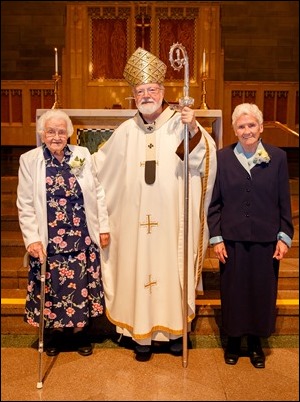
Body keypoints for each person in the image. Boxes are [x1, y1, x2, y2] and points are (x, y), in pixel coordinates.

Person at [92, 47, 217, 361]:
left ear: (163, 92)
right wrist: (74, 163)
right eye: (140, 91)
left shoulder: (180, 125)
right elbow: (99, 167)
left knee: (170, 269)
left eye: (152, 89)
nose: (146, 95)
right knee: (140, 269)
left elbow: (204, 161)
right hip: (134, 226)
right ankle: (142, 338)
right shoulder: (124, 132)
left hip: (172, 221)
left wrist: (193, 129)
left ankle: (175, 334)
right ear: (134, 96)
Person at [17, 109, 110, 357]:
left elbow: (97, 192)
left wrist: (103, 227)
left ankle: (80, 334)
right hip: (50, 238)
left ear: (69, 134)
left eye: (61, 131)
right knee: (53, 286)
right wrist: (32, 238)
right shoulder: (30, 160)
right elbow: (25, 202)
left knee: (80, 283)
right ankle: (55, 335)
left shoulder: (80, 155)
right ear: (42, 133)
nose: (56, 136)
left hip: (81, 233)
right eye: (50, 131)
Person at [207, 103, 294, 368]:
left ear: (261, 126)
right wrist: (217, 238)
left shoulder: (277, 157)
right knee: (233, 292)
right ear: (234, 130)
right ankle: (233, 341)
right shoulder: (222, 158)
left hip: (266, 240)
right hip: (232, 240)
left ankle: (256, 343)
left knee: (260, 292)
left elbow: (284, 201)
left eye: (251, 125)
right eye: (241, 126)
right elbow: (215, 203)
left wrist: (284, 236)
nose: (247, 131)